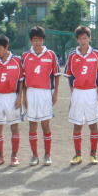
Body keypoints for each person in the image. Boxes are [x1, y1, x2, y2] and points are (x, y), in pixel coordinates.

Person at [21, 27, 61, 166]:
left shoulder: (51, 54)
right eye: (34, 39)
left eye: (40, 39)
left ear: (43, 40)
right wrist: (24, 96)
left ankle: (47, 154)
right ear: (31, 40)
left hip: (45, 93)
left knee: (45, 124)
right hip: (31, 92)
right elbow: (22, 78)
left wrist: (55, 92)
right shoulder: (25, 56)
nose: (37, 42)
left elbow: (56, 75)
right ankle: (34, 155)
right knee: (32, 124)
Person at [65, 26, 98, 165]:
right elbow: (69, 75)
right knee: (77, 124)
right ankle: (78, 155)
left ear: (89, 38)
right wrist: (73, 90)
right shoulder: (72, 56)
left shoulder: (97, 55)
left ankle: (93, 154)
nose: (82, 41)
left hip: (91, 92)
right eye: (80, 38)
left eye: (85, 38)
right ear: (77, 40)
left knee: (93, 123)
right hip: (77, 92)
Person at [0, 35, 25, 167]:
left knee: (14, 127)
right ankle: (0, 156)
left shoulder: (17, 61)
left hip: (12, 96)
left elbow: (21, 81)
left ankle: (14, 156)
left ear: (6, 47)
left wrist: (20, 97)